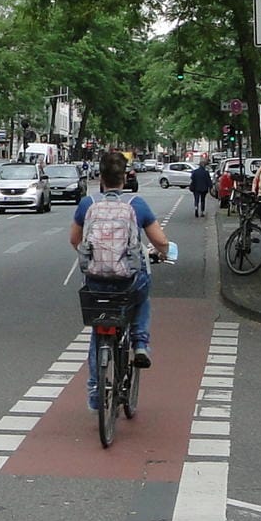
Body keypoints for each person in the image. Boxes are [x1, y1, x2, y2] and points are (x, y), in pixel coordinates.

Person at [71, 151, 170, 381]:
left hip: (96, 282)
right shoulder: (137, 204)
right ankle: (140, 344)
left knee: (98, 329)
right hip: (128, 281)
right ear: (124, 178)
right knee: (142, 297)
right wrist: (162, 253)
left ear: (101, 179)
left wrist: (96, 260)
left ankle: (96, 393)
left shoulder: (88, 204)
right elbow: (161, 241)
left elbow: (75, 240)